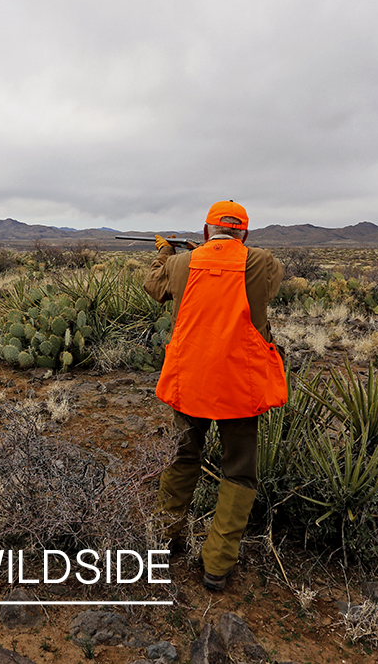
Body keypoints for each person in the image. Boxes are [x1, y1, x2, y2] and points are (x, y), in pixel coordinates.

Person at [143, 199, 286, 591]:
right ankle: (217, 567)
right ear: (245, 233)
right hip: (240, 386)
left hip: (190, 381)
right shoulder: (263, 263)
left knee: (182, 456)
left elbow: (154, 288)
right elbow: (267, 283)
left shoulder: (180, 264)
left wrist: (166, 253)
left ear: (206, 232)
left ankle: (166, 539)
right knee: (238, 471)